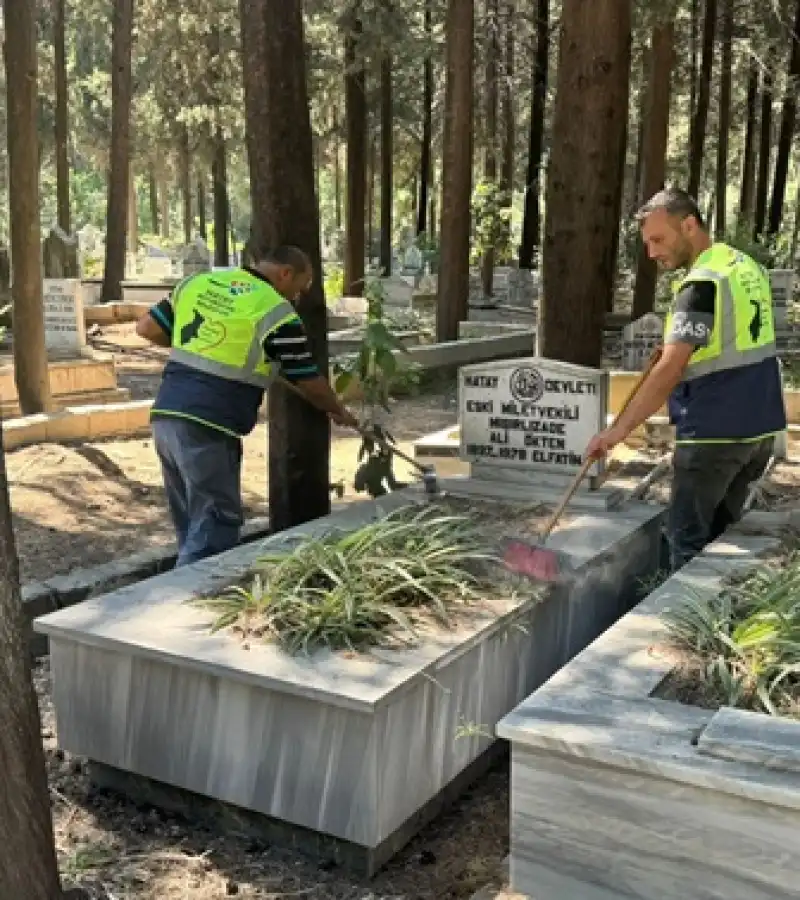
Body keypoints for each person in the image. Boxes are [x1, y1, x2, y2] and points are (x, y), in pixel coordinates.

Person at [586, 188, 787, 571]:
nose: (652, 253)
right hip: (760, 427)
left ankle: (682, 626)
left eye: (658, 239)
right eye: (647, 243)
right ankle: (719, 620)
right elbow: (736, 336)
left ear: (690, 225)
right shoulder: (743, 265)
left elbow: (670, 371)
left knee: (688, 543)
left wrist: (616, 433)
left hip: (714, 431)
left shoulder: (700, 285)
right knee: (722, 538)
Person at [135, 244, 358, 567]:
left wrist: (196, 345)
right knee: (216, 523)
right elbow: (308, 380)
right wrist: (338, 410)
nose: (299, 296)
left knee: (192, 519)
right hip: (209, 424)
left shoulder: (200, 284)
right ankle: (189, 603)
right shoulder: (276, 312)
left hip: (167, 414)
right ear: (285, 274)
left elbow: (147, 328)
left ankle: (182, 589)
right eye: (301, 287)